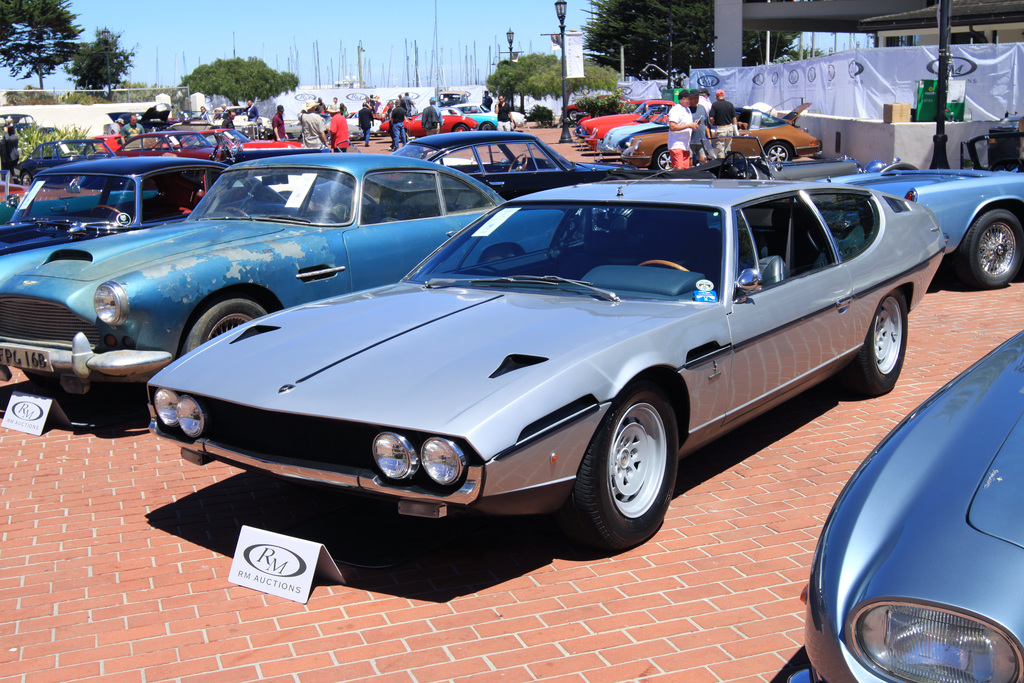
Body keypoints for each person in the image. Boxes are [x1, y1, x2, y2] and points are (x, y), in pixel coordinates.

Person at [667, 89, 699, 169]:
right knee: (678, 168)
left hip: (685, 145)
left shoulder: (687, 110)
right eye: (690, 98)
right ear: (684, 99)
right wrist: (689, 125)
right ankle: (669, 179)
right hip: (676, 144)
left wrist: (694, 124)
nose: (692, 100)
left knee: (685, 170)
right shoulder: (676, 110)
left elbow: (685, 124)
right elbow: (672, 127)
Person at [709, 89, 739, 157]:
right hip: (730, 128)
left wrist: (713, 123)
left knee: (720, 149)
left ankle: (722, 166)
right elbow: (734, 118)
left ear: (716, 97)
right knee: (728, 149)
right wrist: (735, 130)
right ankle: (728, 165)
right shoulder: (730, 104)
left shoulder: (715, 105)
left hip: (721, 129)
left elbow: (711, 118)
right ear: (724, 96)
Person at [688, 90, 712, 164]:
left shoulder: (702, 108)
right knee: (689, 161)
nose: (696, 100)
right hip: (690, 140)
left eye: (697, 97)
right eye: (694, 98)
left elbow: (706, 125)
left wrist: (709, 139)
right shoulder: (687, 109)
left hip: (702, 140)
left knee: (703, 160)